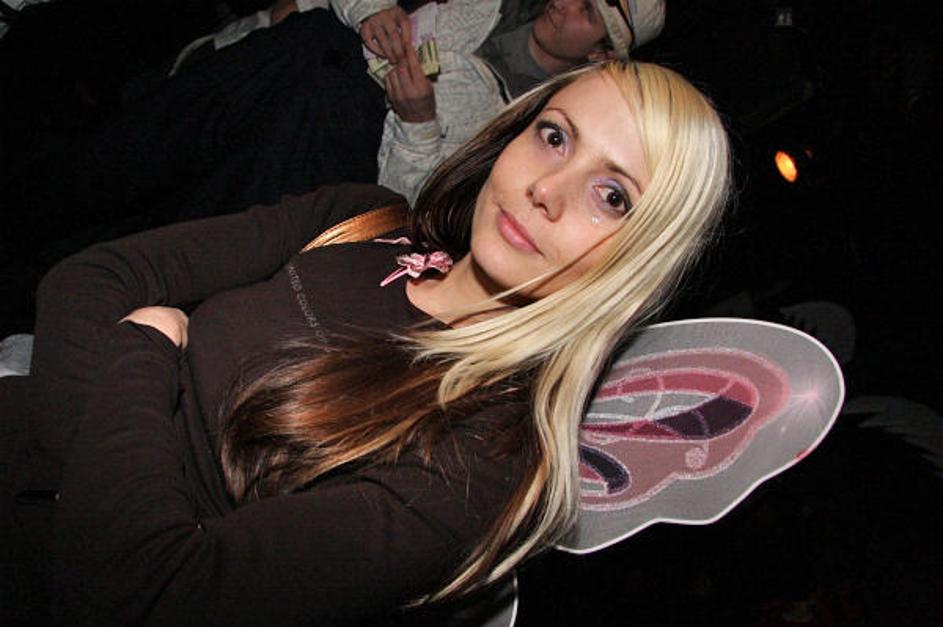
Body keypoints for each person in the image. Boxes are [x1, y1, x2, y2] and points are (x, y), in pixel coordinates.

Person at [1, 60, 730, 624]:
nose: (549, 188)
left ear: (639, 258)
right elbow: (90, 277)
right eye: (554, 136)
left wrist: (145, 346)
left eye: (613, 196)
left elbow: (142, 593)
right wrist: (82, 494)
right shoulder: (366, 221)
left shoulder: (485, 461)